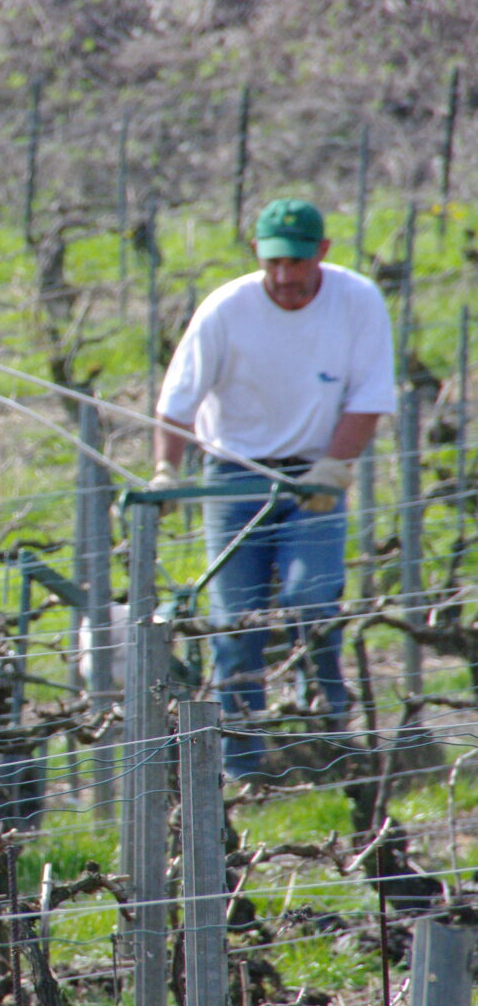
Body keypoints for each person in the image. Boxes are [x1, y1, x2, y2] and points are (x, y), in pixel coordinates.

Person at [150, 198, 396, 780]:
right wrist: (166, 471)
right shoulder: (225, 310)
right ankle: (243, 770)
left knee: (313, 599)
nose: (285, 276)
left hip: (315, 472)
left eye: (296, 262)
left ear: (323, 253)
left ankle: (331, 740)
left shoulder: (357, 301)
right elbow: (177, 403)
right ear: (258, 256)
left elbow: (369, 396)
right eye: (274, 262)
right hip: (234, 474)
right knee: (236, 624)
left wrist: (335, 466)